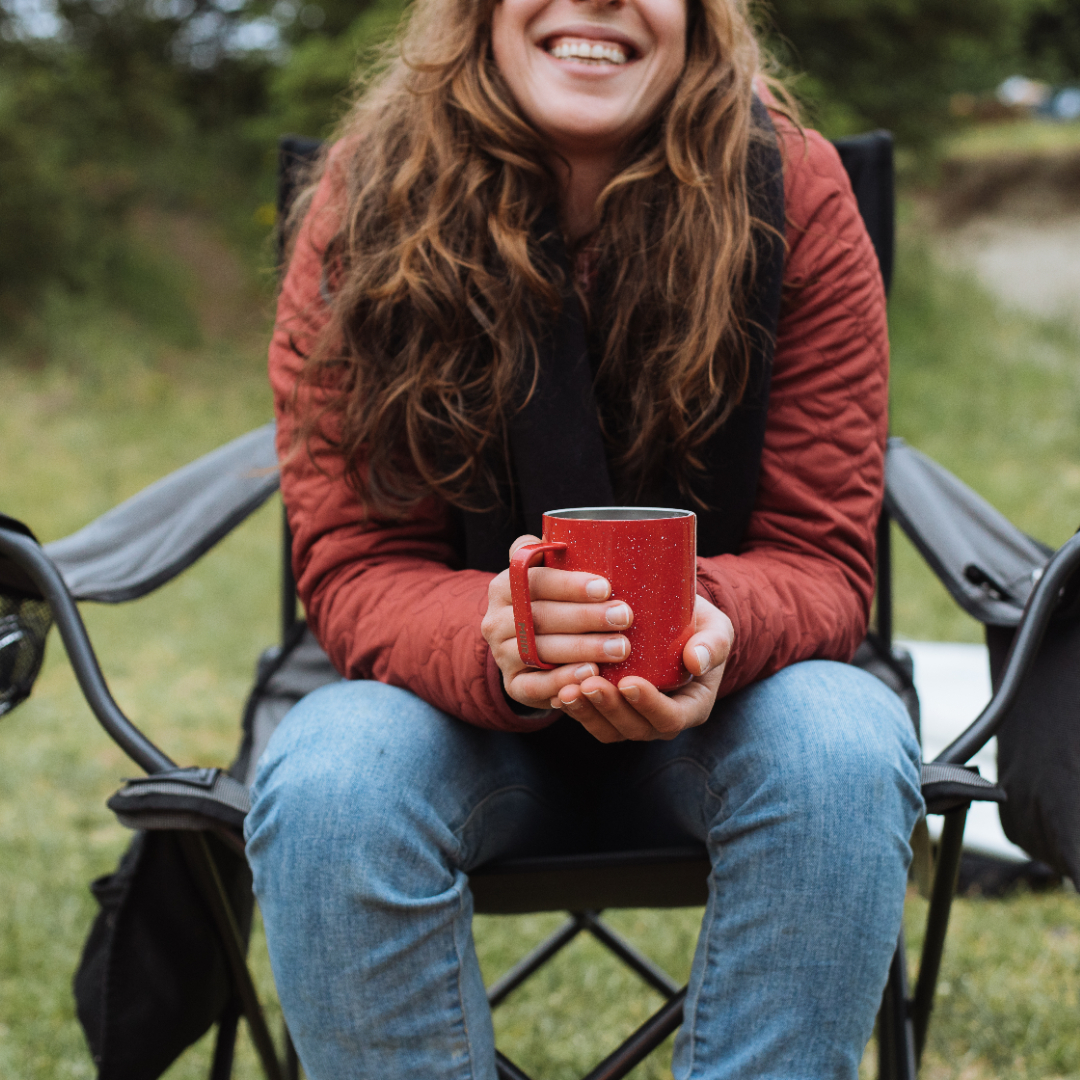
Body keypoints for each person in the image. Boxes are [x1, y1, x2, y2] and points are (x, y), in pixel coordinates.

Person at [244, 0, 924, 1076]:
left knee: (845, 739)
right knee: (332, 778)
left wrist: (710, 629)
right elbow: (357, 564)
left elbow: (823, 560)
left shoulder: (793, 190)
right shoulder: (370, 196)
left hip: (726, 713)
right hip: (456, 723)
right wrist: (499, 634)